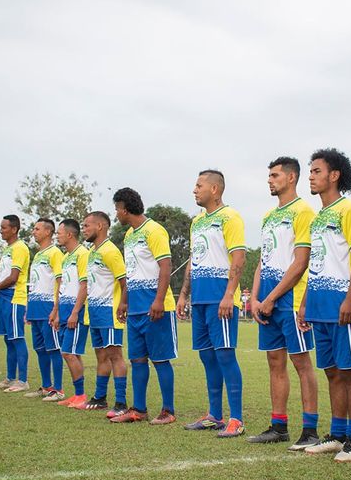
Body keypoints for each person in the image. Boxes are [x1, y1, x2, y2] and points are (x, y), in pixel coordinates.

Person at [297, 148, 351, 462]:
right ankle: (338, 435)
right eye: (311, 171)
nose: (311, 177)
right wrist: (304, 303)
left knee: (350, 371)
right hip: (319, 305)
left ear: (334, 175)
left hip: (343, 306)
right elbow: (317, 263)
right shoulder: (318, 219)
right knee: (332, 372)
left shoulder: (349, 210)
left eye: (317, 171)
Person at [247, 157, 320, 449]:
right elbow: (262, 261)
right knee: (274, 361)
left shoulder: (304, 211)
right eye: (269, 175)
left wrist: (272, 298)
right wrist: (255, 298)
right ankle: (279, 426)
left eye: (275, 175)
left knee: (301, 362)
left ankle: (310, 430)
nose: (270, 180)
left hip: (290, 300)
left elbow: (301, 263)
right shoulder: (268, 216)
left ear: (291, 178)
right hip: (267, 300)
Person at [177, 169, 247, 438]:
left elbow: (238, 258)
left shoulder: (230, 217)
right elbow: (193, 260)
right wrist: (184, 294)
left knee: (225, 354)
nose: (194, 190)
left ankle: (236, 419)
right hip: (200, 300)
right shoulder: (196, 221)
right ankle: (214, 416)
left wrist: (229, 294)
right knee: (207, 356)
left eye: (199, 185)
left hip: (221, 298)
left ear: (214, 189)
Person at [111, 187, 178, 424]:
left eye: (117, 209)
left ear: (125, 209)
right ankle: (139, 409)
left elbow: (165, 266)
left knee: (160, 359)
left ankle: (168, 411)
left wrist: (158, 300)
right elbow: (131, 272)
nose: (116, 214)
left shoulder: (154, 230)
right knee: (137, 359)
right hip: (135, 309)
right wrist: (124, 300)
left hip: (155, 307)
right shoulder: (129, 235)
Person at [81, 211, 129, 415]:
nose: (84, 229)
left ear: (100, 226)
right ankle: (100, 397)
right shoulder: (92, 252)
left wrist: (122, 305)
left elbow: (124, 281)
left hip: (109, 312)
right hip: (95, 312)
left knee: (115, 355)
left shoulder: (110, 251)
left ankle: (121, 403)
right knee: (101, 356)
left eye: (87, 225)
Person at [25, 218, 65, 401]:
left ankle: (58, 389)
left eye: (37, 229)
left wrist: (56, 308)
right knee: (40, 349)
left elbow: (60, 281)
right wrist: (29, 307)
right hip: (35, 308)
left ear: (48, 232)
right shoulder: (38, 255)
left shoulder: (55, 253)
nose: (33, 232)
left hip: (48, 307)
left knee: (53, 348)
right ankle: (46, 386)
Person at [0, 215, 30, 392]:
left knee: (17, 338)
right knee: (8, 339)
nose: (0, 231)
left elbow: (13, 277)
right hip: (3, 296)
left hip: (14, 296)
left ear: (14, 229)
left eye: (4, 227)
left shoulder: (20, 247)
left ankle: (23, 381)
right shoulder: (8, 249)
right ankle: (10, 378)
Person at [54, 219, 91, 408]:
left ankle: (81, 395)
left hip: (76, 312)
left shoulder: (82, 254)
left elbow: (84, 285)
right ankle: (78, 394)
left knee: (68, 352)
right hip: (64, 310)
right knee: (71, 353)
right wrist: (56, 311)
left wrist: (75, 312)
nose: (57, 236)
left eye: (59, 233)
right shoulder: (65, 257)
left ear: (69, 234)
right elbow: (62, 287)